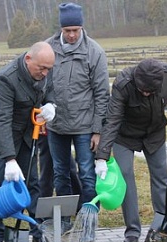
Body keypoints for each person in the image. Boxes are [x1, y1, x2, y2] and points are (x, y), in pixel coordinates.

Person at [95, 58, 167, 242]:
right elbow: (112, 120)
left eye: (149, 90)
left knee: (162, 177)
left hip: (154, 134)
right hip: (126, 137)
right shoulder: (124, 83)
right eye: (142, 89)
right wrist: (101, 157)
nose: (145, 92)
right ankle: (132, 231)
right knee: (126, 177)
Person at [0, 41, 56, 242]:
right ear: (28, 60)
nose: (44, 73)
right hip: (0, 137)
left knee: (32, 182)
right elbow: (2, 120)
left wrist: (51, 104)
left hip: (27, 134)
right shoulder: (6, 78)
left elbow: (49, 90)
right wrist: (9, 159)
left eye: (48, 69)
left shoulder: (45, 71)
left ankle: (37, 232)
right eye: (41, 68)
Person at [45, 2, 110, 222]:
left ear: (82, 28)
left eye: (76, 30)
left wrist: (97, 131)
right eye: (67, 31)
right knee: (60, 173)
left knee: (87, 174)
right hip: (56, 126)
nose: (72, 35)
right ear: (61, 29)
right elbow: (40, 83)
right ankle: (64, 220)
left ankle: (89, 220)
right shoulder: (48, 48)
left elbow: (102, 94)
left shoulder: (94, 52)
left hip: (84, 127)